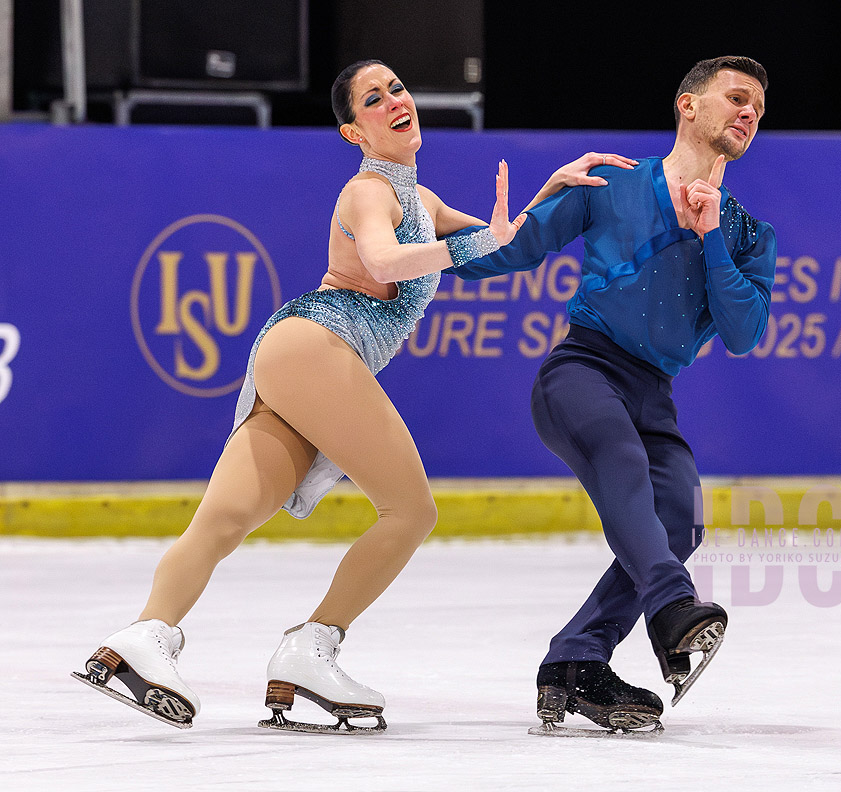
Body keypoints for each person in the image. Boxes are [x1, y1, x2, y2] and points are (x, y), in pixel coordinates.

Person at [72, 59, 632, 733]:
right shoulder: (370, 192)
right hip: (316, 345)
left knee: (224, 522)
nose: (395, 100)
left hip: (295, 353)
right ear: (352, 130)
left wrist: (553, 190)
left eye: (397, 88)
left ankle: (144, 636)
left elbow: (494, 243)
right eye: (374, 98)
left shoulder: (423, 203)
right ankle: (312, 645)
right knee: (411, 511)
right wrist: (466, 248)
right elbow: (384, 262)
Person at [446, 56, 775, 734]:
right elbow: (496, 259)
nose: (749, 113)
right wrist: (519, 210)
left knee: (681, 519)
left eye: (759, 108)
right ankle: (673, 608)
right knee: (622, 462)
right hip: (582, 373)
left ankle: (576, 658)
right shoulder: (611, 186)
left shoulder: (746, 234)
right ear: (687, 105)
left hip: (654, 396)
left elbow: (742, 332)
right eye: (736, 97)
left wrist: (711, 236)